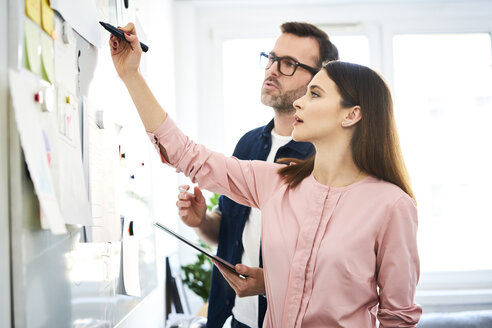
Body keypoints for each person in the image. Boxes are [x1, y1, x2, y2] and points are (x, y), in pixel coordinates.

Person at [109, 23, 422, 327]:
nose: (299, 101)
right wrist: (131, 75)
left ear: (351, 114)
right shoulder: (275, 181)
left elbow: (397, 318)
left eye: (315, 94)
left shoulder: (392, 206)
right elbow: (186, 155)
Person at [175, 22, 339, 328]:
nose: (273, 70)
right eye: (272, 59)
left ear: (319, 82)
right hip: (238, 318)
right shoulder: (248, 143)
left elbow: (338, 270)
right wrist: (201, 222)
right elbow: (227, 231)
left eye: (288, 64)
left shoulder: (327, 159)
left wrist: (272, 282)